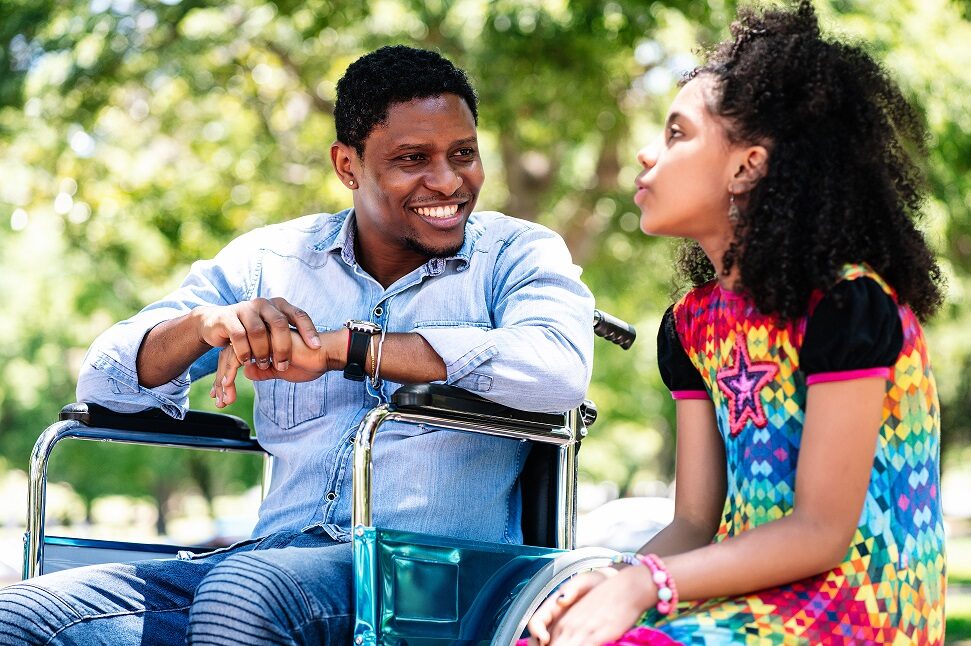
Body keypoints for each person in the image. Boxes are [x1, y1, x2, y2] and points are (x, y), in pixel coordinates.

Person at [0, 45, 594, 645]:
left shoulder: (516, 253)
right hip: (269, 561)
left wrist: (348, 348)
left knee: (245, 596)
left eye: (462, 154)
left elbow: (557, 367)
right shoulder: (270, 262)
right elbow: (102, 382)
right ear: (347, 165)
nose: (447, 181)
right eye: (413, 159)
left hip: (440, 581)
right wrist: (205, 326)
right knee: (19, 616)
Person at [525, 2, 946, 644]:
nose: (645, 154)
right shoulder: (691, 326)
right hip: (745, 600)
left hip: (860, 608)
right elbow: (695, 519)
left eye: (676, 135)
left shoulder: (847, 306)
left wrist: (646, 585)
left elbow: (821, 532)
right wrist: (616, 577)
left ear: (746, 166)